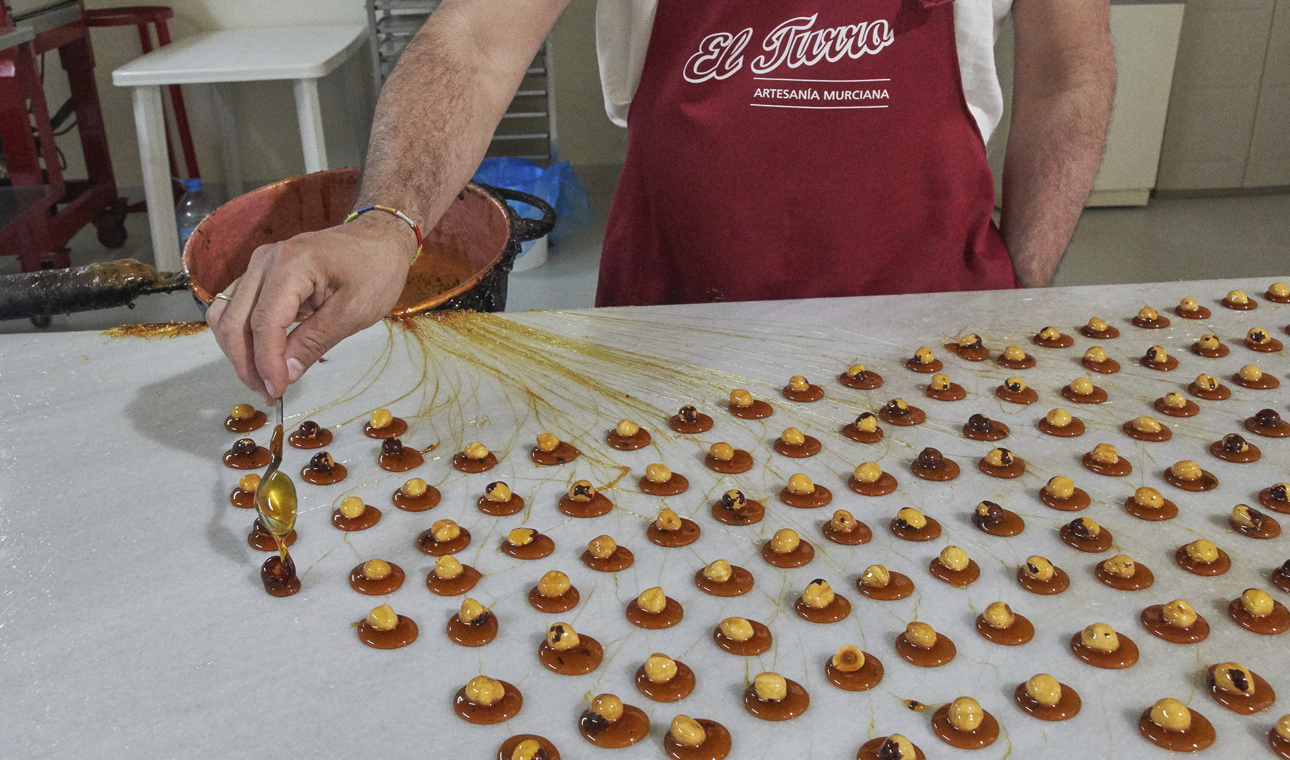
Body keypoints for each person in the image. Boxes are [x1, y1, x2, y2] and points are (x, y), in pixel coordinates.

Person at [207, 0, 1114, 405]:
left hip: (936, 349)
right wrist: (386, 226)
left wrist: (1021, 289)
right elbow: (478, 38)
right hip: (672, 344)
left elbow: (1069, 76)